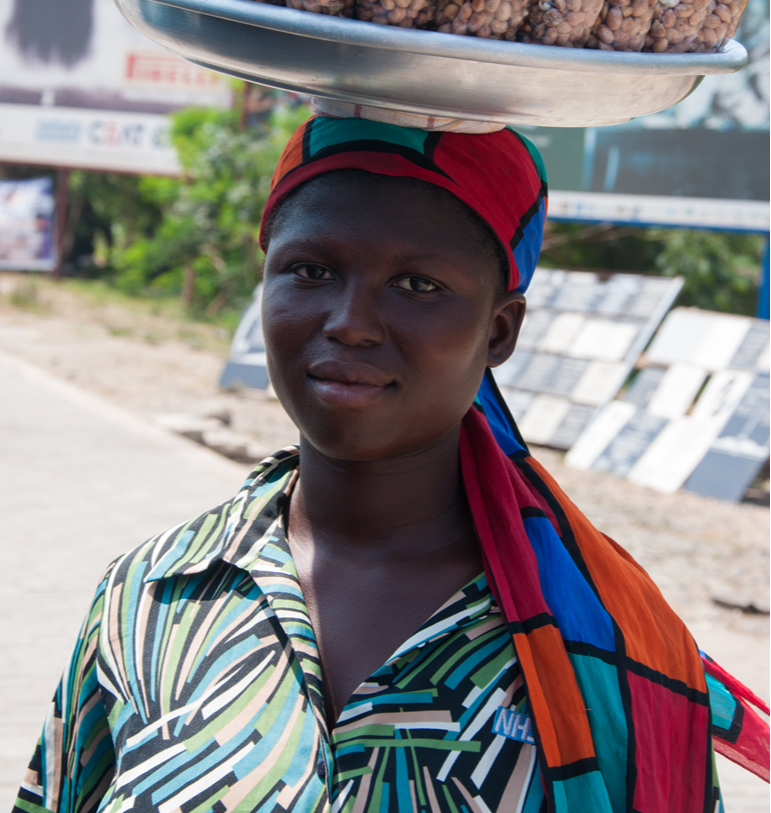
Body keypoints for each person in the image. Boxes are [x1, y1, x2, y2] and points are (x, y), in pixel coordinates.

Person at [15, 111, 769, 813]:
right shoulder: (152, 595)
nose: (348, 323)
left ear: (499, 330)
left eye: (417, 285)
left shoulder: (608, 644)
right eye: (310, 271)